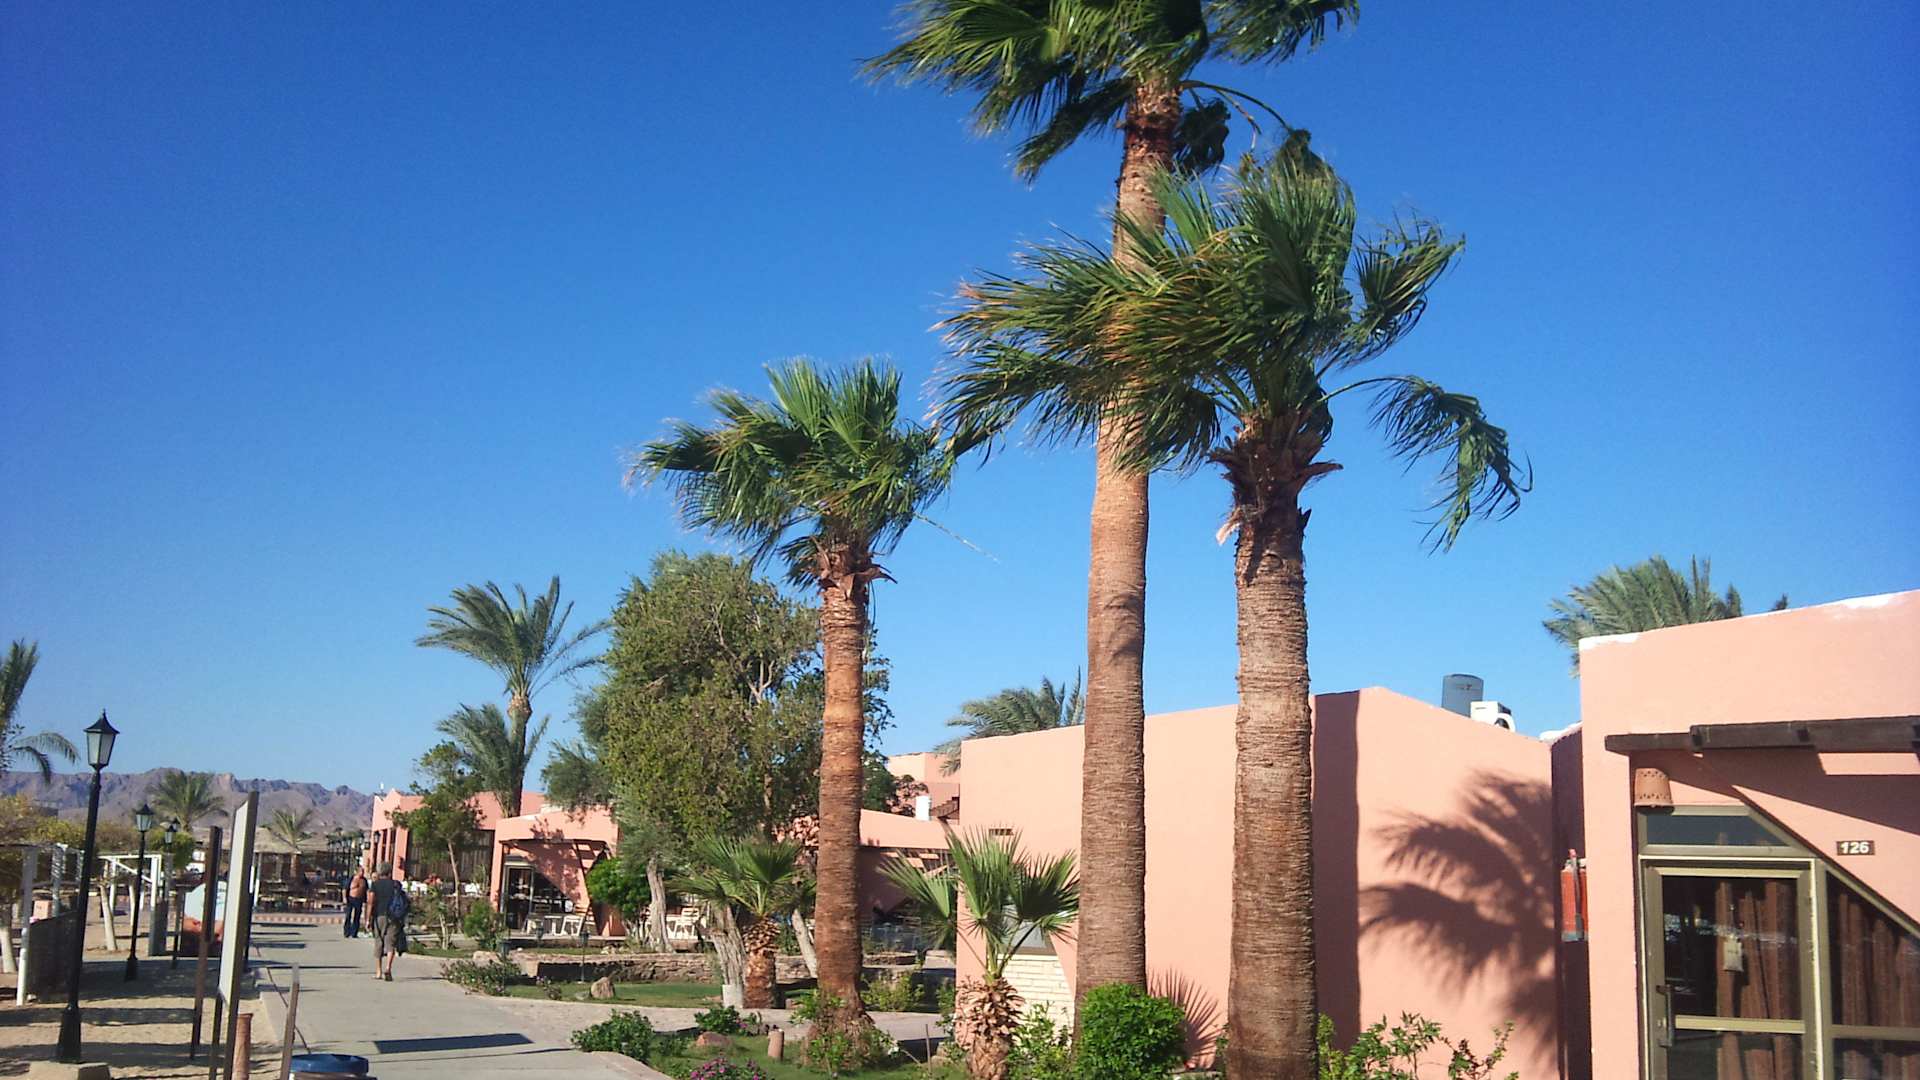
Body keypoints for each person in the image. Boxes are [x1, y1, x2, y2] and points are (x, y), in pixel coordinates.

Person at [366, 862, 407, 981]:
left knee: (379, 942)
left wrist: (368, 919)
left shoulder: (375, 884)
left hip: (379, 915)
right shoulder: (395, 884)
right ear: (389, 872)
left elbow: (370, 902)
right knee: (391, 944)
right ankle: (388, 968)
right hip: (394, 917)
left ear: (379, 872)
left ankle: (378, 971)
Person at [343, 866, 368, 939]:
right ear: (356, 872)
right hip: (351, 898)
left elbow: (366, 890)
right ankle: (347, 932)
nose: (362, 873)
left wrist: (365, 900)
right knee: (348, 915)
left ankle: (354, 932)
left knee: (357, 916)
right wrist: (344, 898)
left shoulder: (364, 880)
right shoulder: (351, 879)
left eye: (363, 871)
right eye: (361, 871)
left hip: (359, 899)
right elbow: (345, 889)